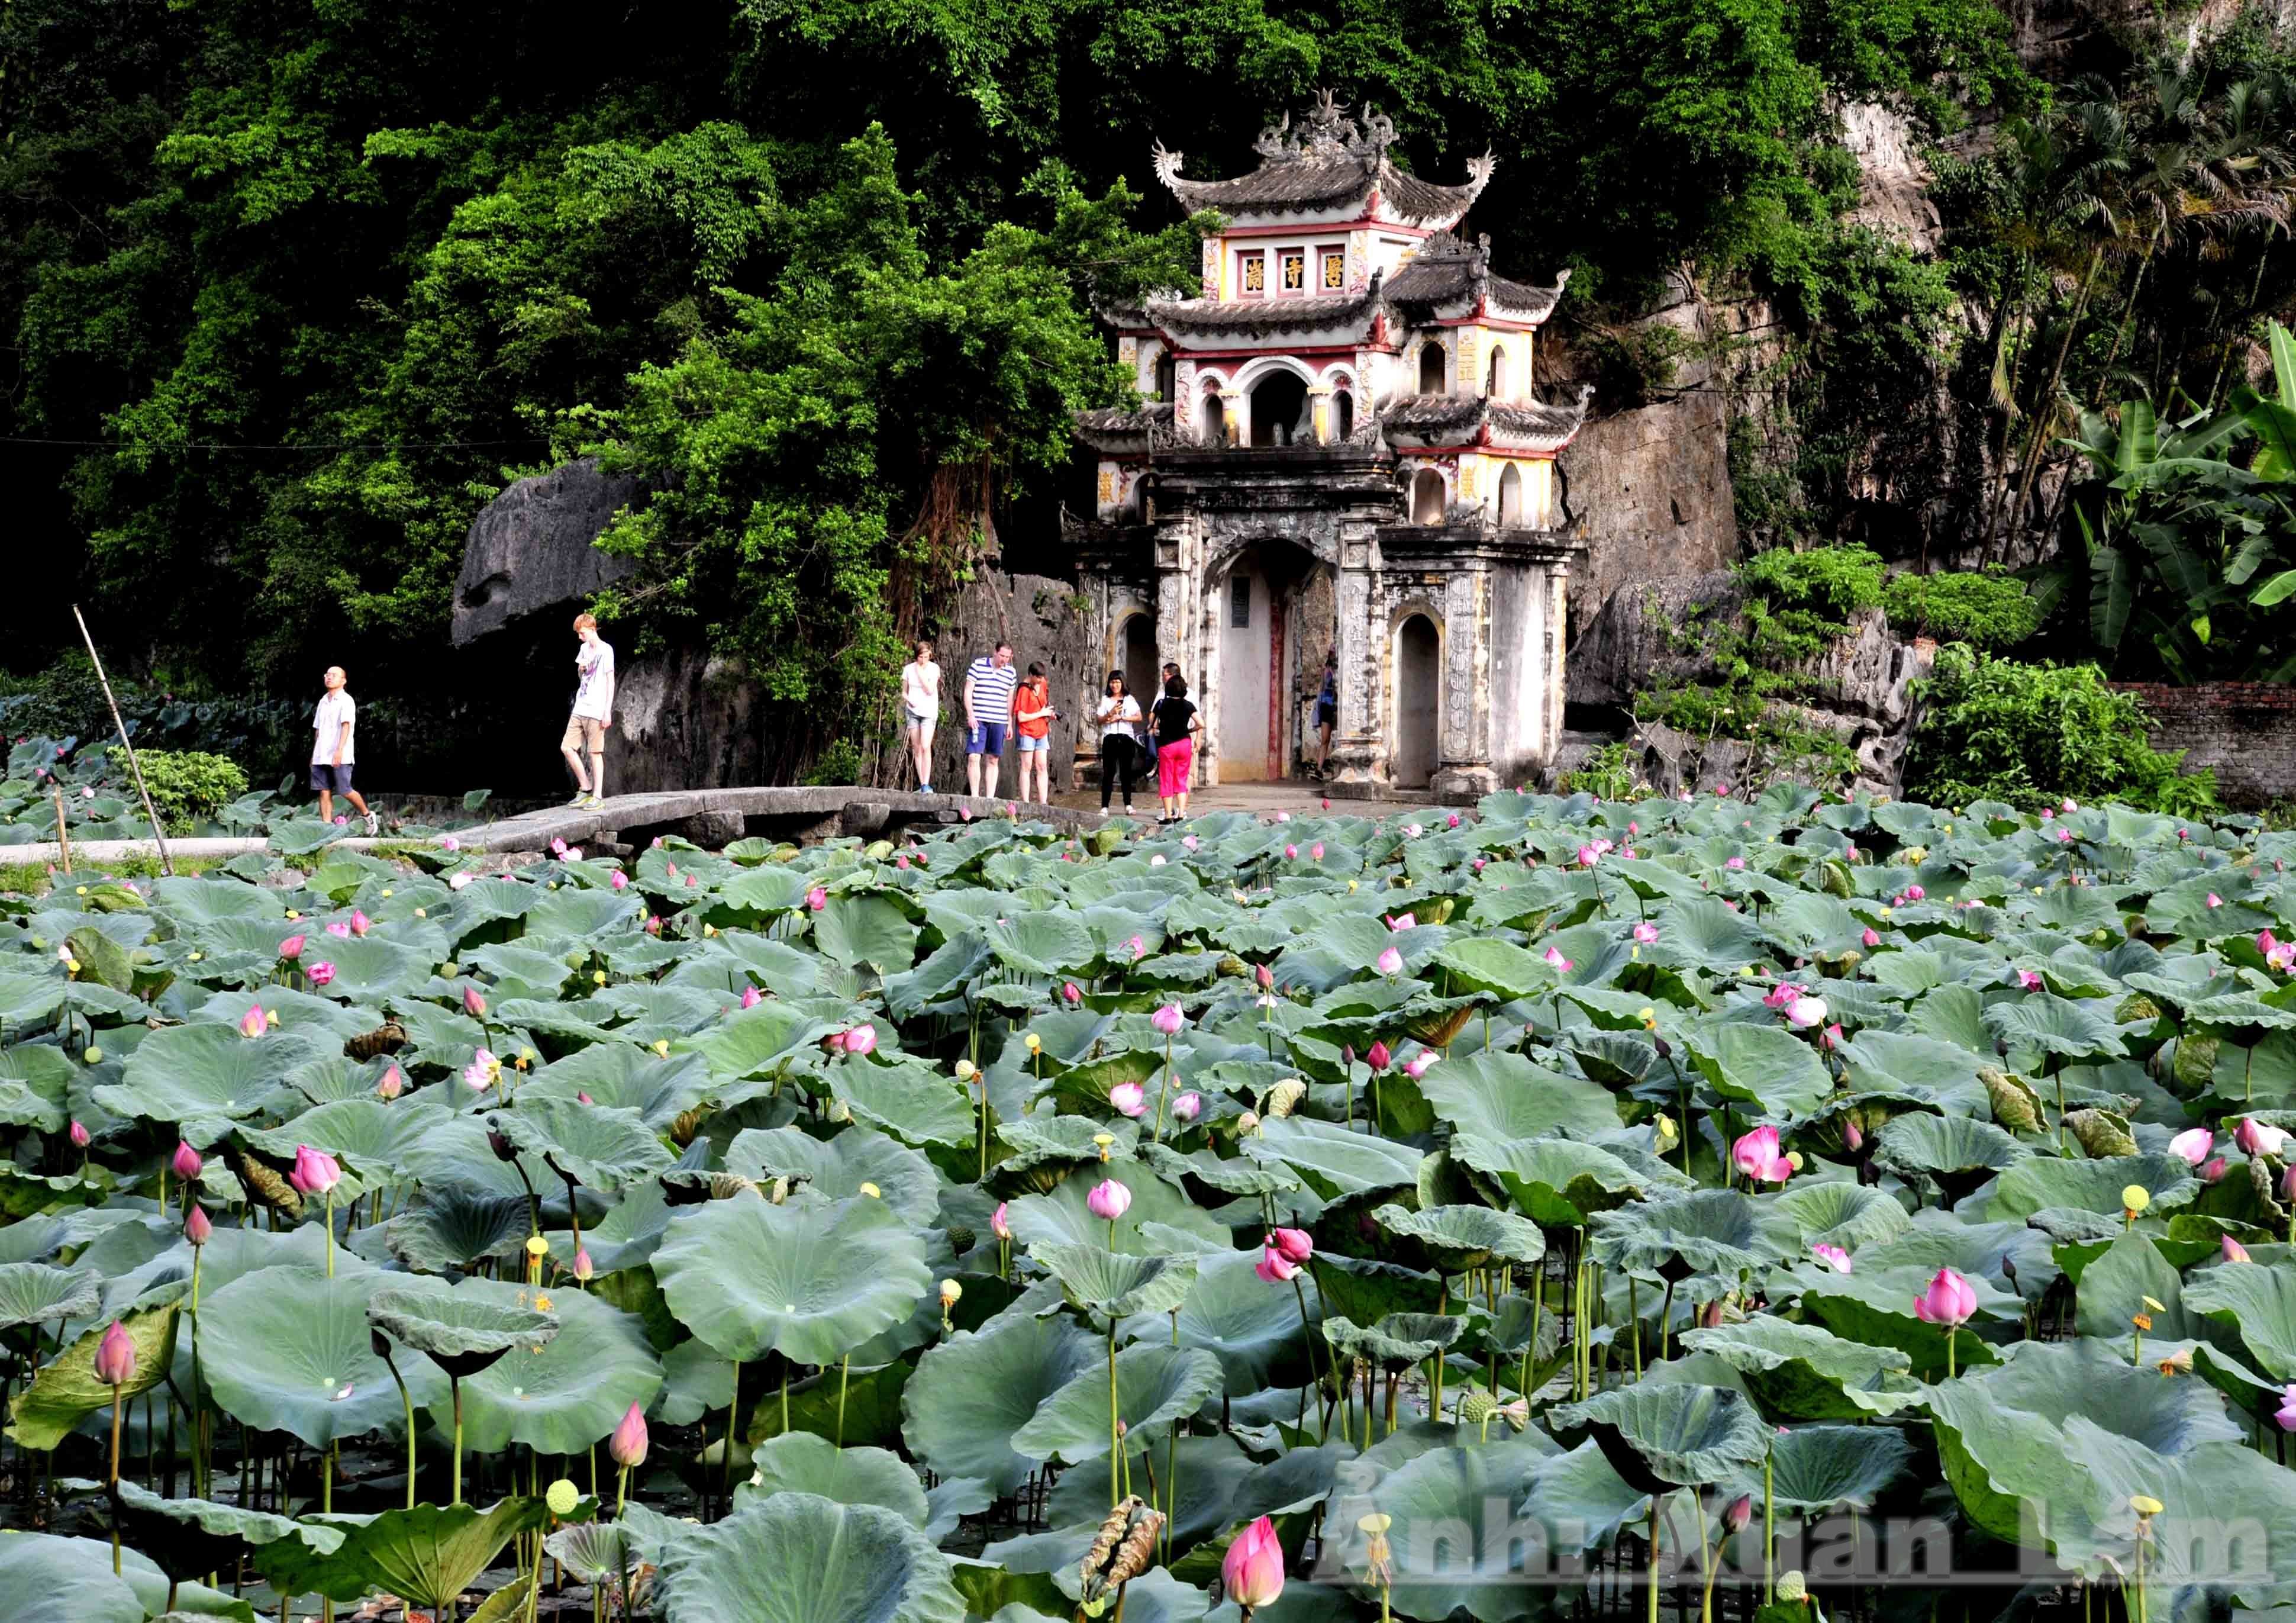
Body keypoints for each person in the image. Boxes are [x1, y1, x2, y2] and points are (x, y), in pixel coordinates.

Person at [311, 666, 377, 835]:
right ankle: (325, 828)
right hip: (321, 754)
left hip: (341, 754)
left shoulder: (346, 701)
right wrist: (314, 754)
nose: (329, 677)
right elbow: (318, 729)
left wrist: (339, 751)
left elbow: (346, 726)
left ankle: (368, 815)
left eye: (334, 675)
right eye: (327, 675)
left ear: (343, 681)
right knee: (323, 791)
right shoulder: (323, 701)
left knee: (345, 790)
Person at [561, 612, 615, 809]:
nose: (580, 637)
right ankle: (585, 787)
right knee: (567, 747)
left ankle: (597, 796)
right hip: (580, 706)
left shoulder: (606, 650)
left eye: (582, 633)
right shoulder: (584, 649)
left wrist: (607, 711)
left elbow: (611, 681)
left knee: (594, 753)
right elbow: (581, 676)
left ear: (592, 630)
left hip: (597, 709)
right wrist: (581, 669)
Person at [963, 641, 1017, 798]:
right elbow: (968, 691)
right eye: (1002, 656)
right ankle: (974, 795)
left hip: (999, 720)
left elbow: (1010, 699)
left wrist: (1009, 723)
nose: (1004, 660)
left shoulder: (1011, 673)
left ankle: (990, 798)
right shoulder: (978, 666)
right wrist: (970, 714)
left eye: (1008, 657)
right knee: (974, 756)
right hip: (978, 719)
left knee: (993, 758)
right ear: (995, 652)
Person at [1149, 672, 1201, 825]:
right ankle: (1181, 815)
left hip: (1167, 745)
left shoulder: (1161, 704)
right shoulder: (1188, 705)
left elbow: (1154, 723)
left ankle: (1168, 816)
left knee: (1166, 780)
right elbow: (1201, 724)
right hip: (1184, 744)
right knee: (1181, 779)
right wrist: (1190, 731)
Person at [1093, 671, 1142, 816]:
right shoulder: (1105, 699)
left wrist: (1122, 718)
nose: (1115, 685)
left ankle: (1128, 804)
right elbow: (1099, 720)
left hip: (1126, 737)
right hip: (1110, 737)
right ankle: (1104, 806)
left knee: (1126, 772)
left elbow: (1139, 717)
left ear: (1123, 683)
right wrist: (1110, 713)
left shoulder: (1129, 699)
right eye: (1112, 682)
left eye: (1118, 682)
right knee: (1109, 772)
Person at [1011, 661, 1057, 804]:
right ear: (1031, 675)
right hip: (1026, 731)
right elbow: (1021, 717)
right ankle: (1025, 802)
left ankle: (1043, 802)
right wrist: (1040, 713)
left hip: (1041, 730)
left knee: (1042, 765)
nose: (1040, 681)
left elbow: (1043, 704)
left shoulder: (1043, 683)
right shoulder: (1024, 690)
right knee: (1026, 766)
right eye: (1037, 678)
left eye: (1042, 678)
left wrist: (1048, 714)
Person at [901, 638, 941, 793]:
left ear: (930, 655)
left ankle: (926, 782)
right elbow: (904, 691)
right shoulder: (908, 669)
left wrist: (919, 671)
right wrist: (909, 700)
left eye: (926, 657)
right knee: (917, 748)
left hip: (929, 712)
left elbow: (930, 690)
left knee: (926, 746)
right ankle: (923, 783)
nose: (923, 660)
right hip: (912, 711)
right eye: (920, 657)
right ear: (916, 656)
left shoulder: (934, 668)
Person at [1313, 648, 1339, 779]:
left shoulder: (1341, 669)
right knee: (1325, 739)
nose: (1333, 654)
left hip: (1338, 706)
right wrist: (1317, 708)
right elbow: (1321, 689)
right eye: (1332, 652)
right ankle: (1319, 769)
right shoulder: (1326, 669)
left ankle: (1338, 769)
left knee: (1340, 739)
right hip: (1326, 705)